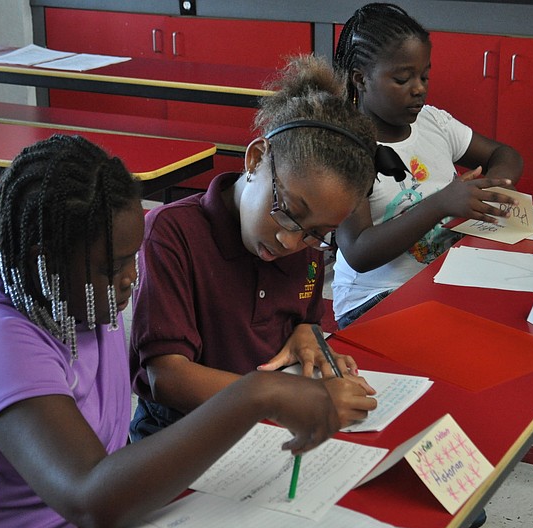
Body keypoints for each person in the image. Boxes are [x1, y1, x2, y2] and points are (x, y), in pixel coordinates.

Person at [0, 134, 369, 528]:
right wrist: (257, 394)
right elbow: (89, 497)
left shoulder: (81, 300)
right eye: (113, 266)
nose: (131, 278)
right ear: (46, 261)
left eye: (131, 259)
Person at [129, 54, 382, 442]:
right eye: (288, 212)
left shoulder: (307, 246)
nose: (291, 241)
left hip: (267, 426)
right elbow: (168, 377)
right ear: (256, 159)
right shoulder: (172, 233)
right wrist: (287, 397)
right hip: (180, 435)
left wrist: (307, 335)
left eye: (318, 232)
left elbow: (301, 320)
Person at [331, 2, 524, 329]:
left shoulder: (433, 122)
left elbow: (505, 155)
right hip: (375, 298)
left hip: (441, 277)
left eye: (424, 76)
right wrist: (440, 204)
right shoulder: (347, 147)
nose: (419, 88)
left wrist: (490, 189)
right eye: (403, 79)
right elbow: (359, 252)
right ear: (361, 79)